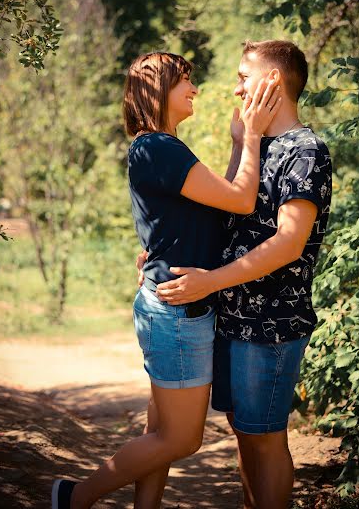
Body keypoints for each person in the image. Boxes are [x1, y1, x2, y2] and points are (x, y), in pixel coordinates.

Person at [51, 51, 281, 509]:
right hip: (177, 310)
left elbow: (219, 203)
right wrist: (253, 136)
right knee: (181, 439)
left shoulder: (160, 146)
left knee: (160, 430)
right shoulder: (158, 147)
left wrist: (239, 142)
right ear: (158, 91)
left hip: (173, 304)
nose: (193, 89)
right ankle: (74, 498)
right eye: (185, 82)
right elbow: (240, 201)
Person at [157, 40, 333, 509]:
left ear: (271, 81)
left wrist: (209, 282)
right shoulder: (262, 145)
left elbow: (288, 244)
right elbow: (230, 211)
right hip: (231, 318)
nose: (236, 89)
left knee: (265, 439)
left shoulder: (306, 150)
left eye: (242, 76)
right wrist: (240, 143)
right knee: (242, 432)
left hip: (270, 327)